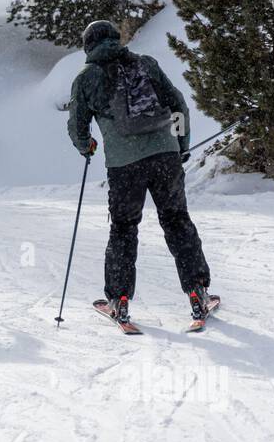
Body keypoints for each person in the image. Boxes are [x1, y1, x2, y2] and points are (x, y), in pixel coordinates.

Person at [67, 20, 212, 325]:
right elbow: (178, 105)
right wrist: (180, 145)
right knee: (177, 221)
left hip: (124, 166)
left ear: (88, 46)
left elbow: (77, 125)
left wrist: (86, 146)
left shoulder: (86, 77)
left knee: (123, 228)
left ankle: (119, 301)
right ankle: (198, 292)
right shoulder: (146, 65)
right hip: (165, 157)